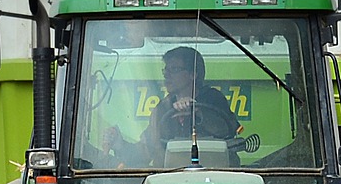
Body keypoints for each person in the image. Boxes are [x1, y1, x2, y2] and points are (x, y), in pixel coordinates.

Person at [98, 45, 240, 166]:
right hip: (169, 183)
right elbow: (146, 152)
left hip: (215, 180)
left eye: (174, 70)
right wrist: (120, 145)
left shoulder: (213, 99)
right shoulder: (162, 109)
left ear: (193, 74)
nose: (167, 75)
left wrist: (198, 112)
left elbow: (227, 130)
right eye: (166, 70)